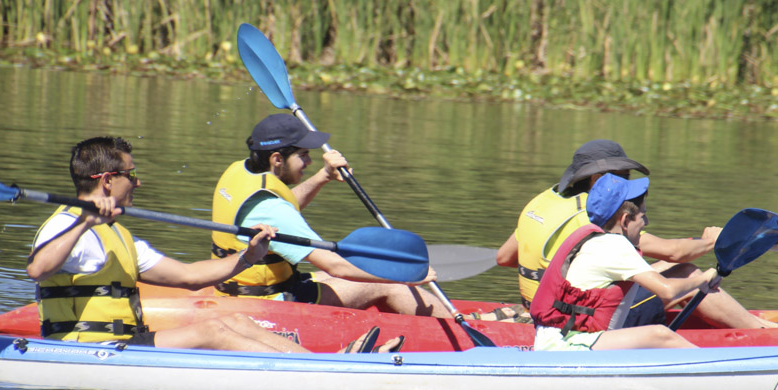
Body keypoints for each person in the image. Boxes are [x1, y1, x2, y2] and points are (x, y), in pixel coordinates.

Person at [27, 136, 400, 354]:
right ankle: (323, 373)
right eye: (131, 175)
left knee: (234, 320)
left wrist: (246, 257)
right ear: (107, 181)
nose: (137, 184)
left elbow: (189, 276)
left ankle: (328, 367)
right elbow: (38, 269)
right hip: (80, 350)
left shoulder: (119, 235)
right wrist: (85, 219)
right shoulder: (64, 224)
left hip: (126, 341)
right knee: (214, 332)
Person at [212, 113, 515, 320]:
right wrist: (405, 276)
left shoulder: (240, 172)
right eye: (303, 155)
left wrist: (322, 177)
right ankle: (471, 326)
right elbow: (334, 264)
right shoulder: (271, 206)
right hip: (268, 306)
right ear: (277, 159)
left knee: (349, 274)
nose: (308, 161)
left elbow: (283, 212)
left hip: (240, 291)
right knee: (388, 283)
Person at [497, 139, 778, 329]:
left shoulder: (542, 199)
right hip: (579, 316)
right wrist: (712, 241)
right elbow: (673, 254)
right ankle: (764, 331)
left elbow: (505, 258)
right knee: (685, 273)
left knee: (657, 274)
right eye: (621, 176)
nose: (626, 183)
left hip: (545, 302)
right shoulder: (593, 219)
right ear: (597, 179)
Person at [530, 174, 710, 350]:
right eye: (643, 216)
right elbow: (668, 291)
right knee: (660, 334)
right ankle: (714, 368)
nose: (646, 222)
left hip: (556, 340)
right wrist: (705, 278)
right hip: (566, 346)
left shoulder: (594, 240)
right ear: (624, 220)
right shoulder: (614, 245)